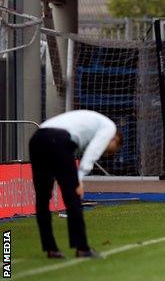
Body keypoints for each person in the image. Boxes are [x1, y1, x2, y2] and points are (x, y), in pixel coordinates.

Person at [29, 110, 123, 259]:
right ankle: (82, 248)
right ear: (115, 139)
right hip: (58, 139)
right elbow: (93, 152)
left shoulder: (90, 125)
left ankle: (51, 248)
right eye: (113, 150)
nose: (109, 154)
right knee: (73, 197)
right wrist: (78, 178)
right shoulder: (109, 127)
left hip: (37, 138)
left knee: (42, 198)